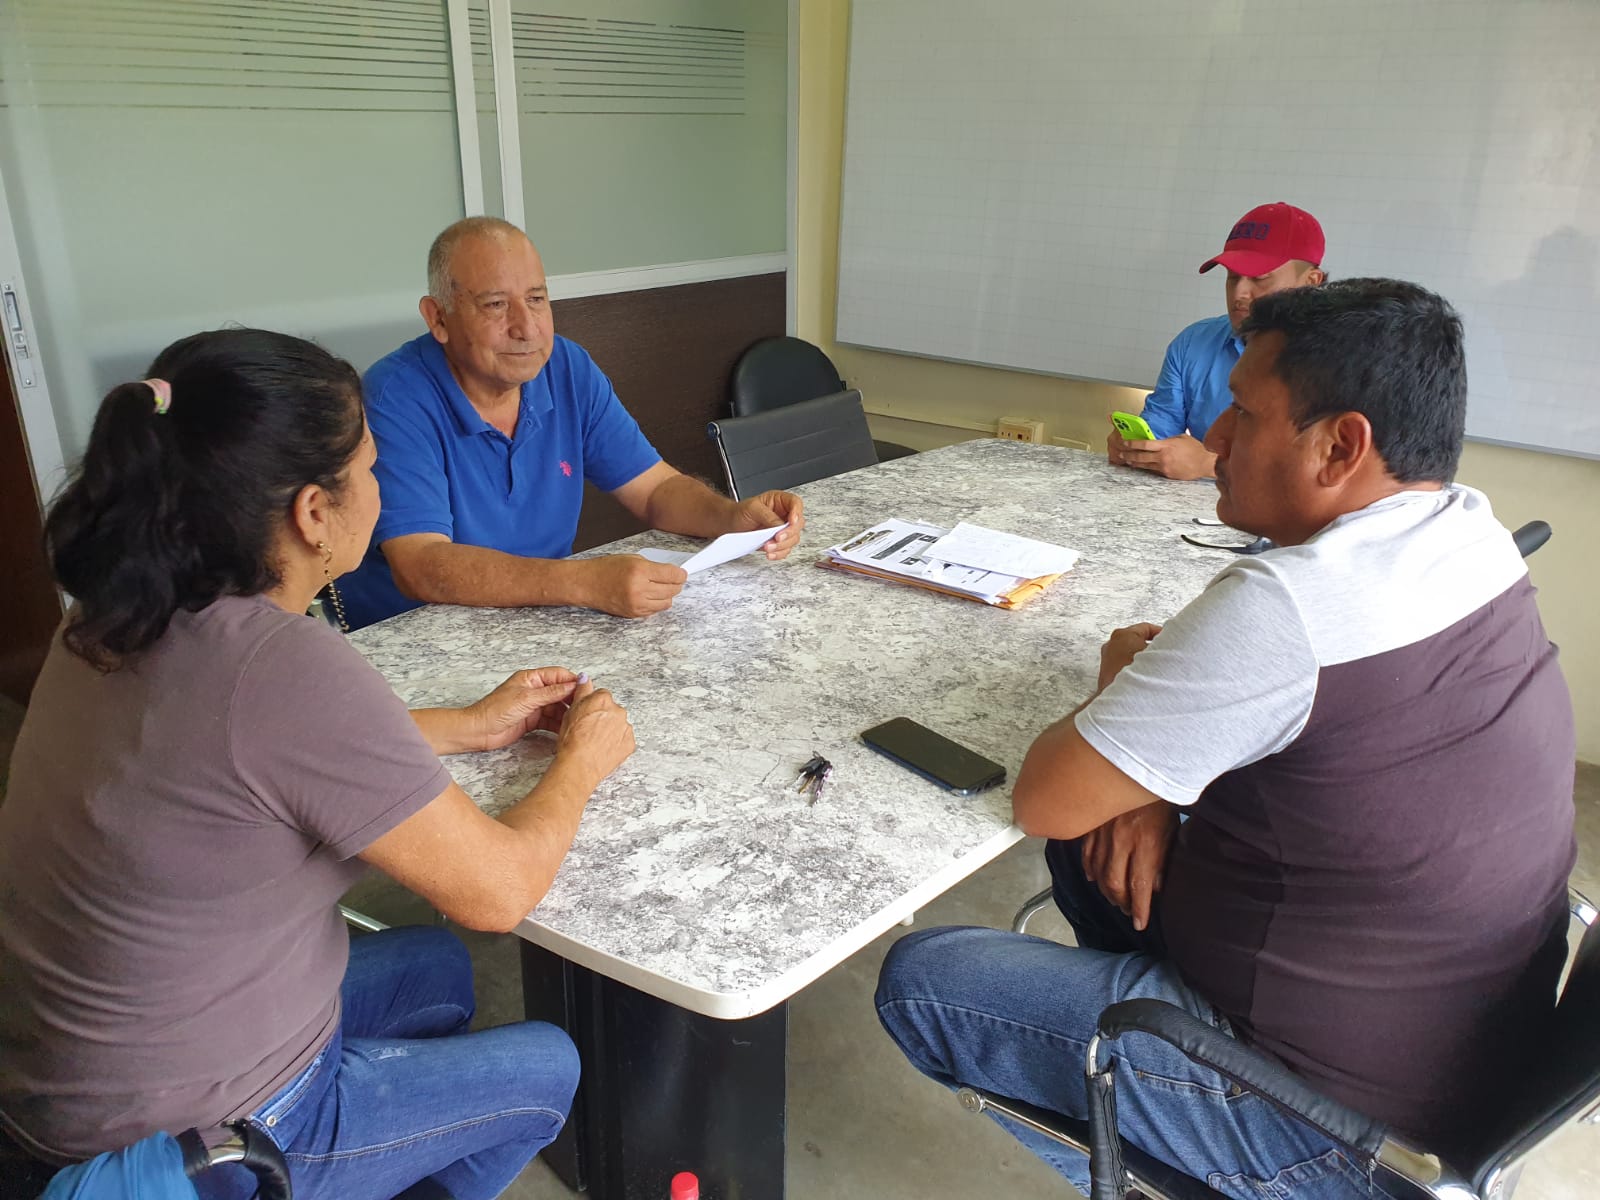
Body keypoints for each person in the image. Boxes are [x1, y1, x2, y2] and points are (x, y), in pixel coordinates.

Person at [877, 279, 1577, 1197]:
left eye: (1243, 414)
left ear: (1341, 445)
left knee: (922, 979)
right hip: (1462, 1041)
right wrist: (1145, 785)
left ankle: (1199, 1161)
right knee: (1092, 847)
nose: (1214, 437)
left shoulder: (1289, 606)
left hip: (1337, 1125)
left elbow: (1046, 795)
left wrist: (1123, 701)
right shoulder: (1467, 530)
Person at [0, 329, 637, 1200]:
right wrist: (581, 764)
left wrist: (468, 726)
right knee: (548, 1067)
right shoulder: (285, 666)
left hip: (64, 1088)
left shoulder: (115, 614)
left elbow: (248, 757)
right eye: (371, 470)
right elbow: (499, 893)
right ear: (312, 513)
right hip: (193, 1144)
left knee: (438, 971)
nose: (381, 488)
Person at [338, 217, 806, 630]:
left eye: (536, 299)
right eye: (496, 305)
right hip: (420, 641)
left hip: (541, 618)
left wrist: (730, 518)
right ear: (438, 318)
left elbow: (655, 489)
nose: (527, 328)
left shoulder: (566, 367)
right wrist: (583, 582)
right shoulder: (393, 397)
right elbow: (421, 563)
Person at [1107, 201, 1326, 481]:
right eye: (1232, 277)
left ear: (1311, 282)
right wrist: (1137, 450)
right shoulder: (1192, 344)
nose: (1239, 293)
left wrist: (1211, 464)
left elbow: (1328, 473)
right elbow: (1161, 430)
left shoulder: (1343, 362)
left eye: (1259, 278)